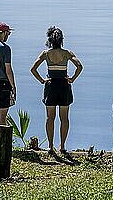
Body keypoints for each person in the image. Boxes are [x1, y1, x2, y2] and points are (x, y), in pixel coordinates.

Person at [30, 26, 83, 155]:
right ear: (61, 40)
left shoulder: (46, 54)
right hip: (64, 86)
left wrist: (42, 81)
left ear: (50, 40)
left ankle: (50, 146)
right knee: (64, 118)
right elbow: (79, 66)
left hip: (51, 86)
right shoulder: (67, 53)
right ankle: (63, 146)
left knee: (50, 118)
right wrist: (72, 79)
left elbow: (33, 69)